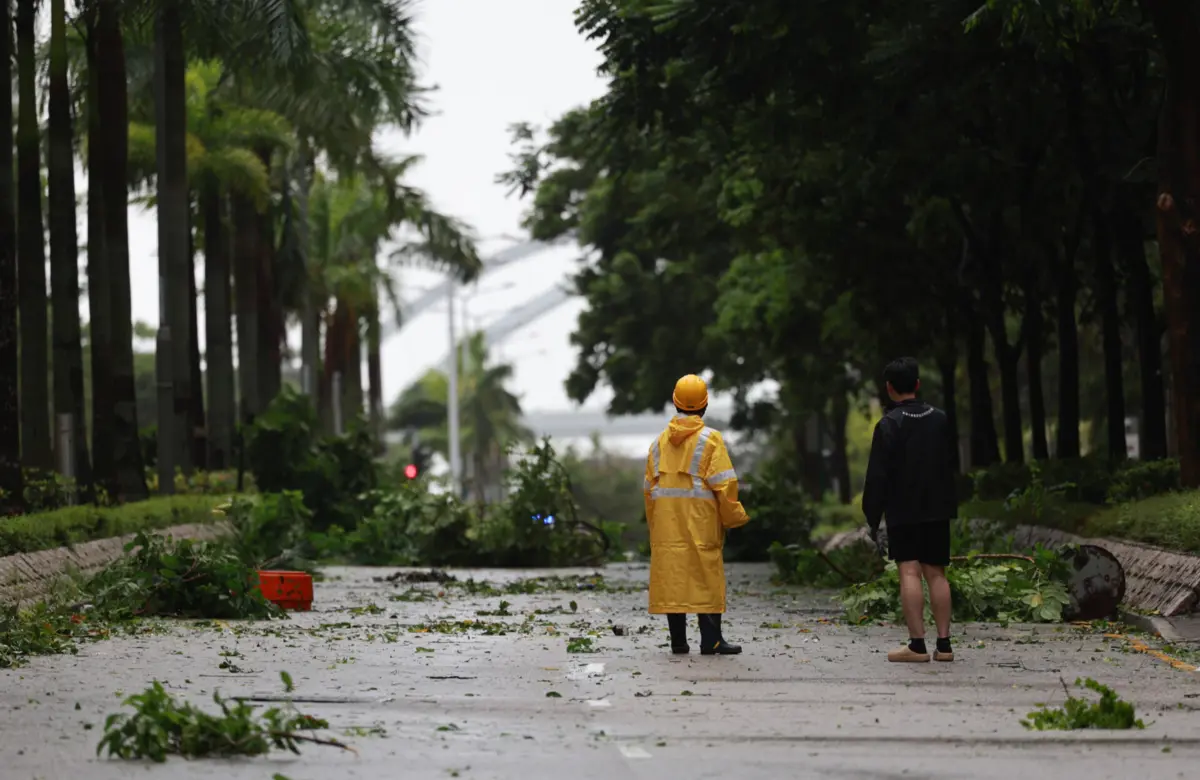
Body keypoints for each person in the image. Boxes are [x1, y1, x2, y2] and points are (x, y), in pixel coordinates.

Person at [643, 374, 750, 655]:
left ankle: (678, 641)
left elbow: (649, 492)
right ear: (705, 405)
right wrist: (734, 517)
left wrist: (656, 527)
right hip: (702, 524)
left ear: (675, 402)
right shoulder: (711, 440)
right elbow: (724, 485)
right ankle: (711, 640)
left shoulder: (657, 444)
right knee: (706, 577)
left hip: (667, 526)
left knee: (673, 577)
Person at [862, 357, 958, 663]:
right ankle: (944, 645)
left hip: (903, 509)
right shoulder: (941, 419)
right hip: (937, 508)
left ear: (889, 389)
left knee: (910, 571)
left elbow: (877, 476)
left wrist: (872, 517)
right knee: (937, 574)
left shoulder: (889, 425)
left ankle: (917, 646)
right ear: (917, 384)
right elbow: (950, 464)